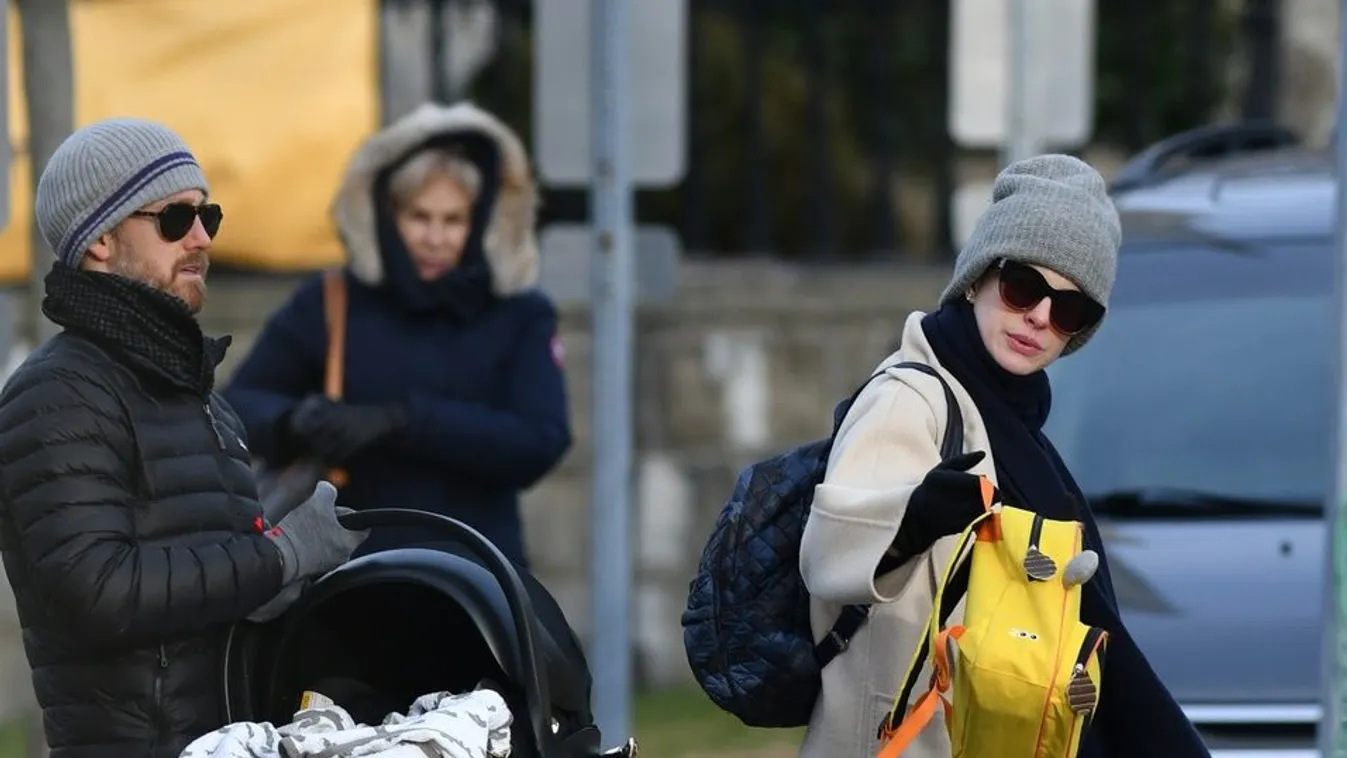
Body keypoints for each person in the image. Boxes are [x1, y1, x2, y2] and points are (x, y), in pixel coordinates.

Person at [797, 155, 1210, 758]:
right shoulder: (911, 399)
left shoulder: (1017, 428)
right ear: (976, 278)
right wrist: (912, 519)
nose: (1039, 317)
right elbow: (828, 557)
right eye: (1024, 287)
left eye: (1070, 310)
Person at [0, 117, 368, 758]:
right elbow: (97, 592)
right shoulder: (56, 393)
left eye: (208, 217)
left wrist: (273, 593)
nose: (200, 238)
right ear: (101, 242)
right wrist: (278, 557)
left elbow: (204, 593)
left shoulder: (202, 399)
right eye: (173, 220)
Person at [222, 101, 571, 568]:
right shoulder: (331, 301)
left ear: (482, 222)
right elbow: (236, 406)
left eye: (453, 221)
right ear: (386, 217)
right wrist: (296, 422)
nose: (435, 238)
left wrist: (404, 422)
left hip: (479, 574)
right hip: (349, 579)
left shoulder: (520, 312)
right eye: (418, 217)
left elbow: (540, 440)